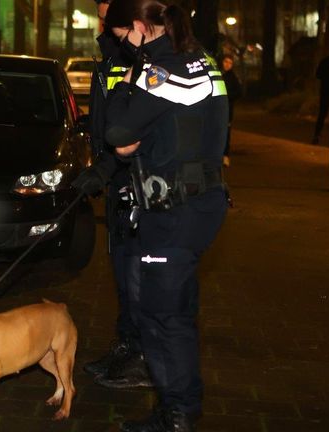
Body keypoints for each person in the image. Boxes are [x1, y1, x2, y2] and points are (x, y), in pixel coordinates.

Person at [100, 0, 228, 430]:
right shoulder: (203, 61)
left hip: (174, 209)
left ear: (139, 27)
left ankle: (177, 416)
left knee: (161, 316)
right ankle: (178, 408)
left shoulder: (161, 70)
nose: (125, 47)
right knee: (174, 310)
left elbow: (117, 131)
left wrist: (128, 80)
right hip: (199, 202)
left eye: (125, 38)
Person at [73, 0, 152, 390]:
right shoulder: (109, 52)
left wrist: (109, 167)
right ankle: (126, 347)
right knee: (121, 273)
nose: (103, 12)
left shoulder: (142, 55)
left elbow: (137, 129)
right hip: (117, 180)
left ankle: (140, 359)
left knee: (137, 277)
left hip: (138, 181)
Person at [221, 54, 242, 166]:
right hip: (220, 108)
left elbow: (239, 92)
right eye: (226, 62)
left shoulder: (232, 77)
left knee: (226, 132)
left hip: (228, 109)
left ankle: (225, 155)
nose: (227, 65)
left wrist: (228, 97)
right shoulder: (221, 74)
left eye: (230, 63)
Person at [313, 52, 329, 145]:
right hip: (327, 92)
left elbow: (318, 75)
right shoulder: (325, 61)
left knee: (322, 115)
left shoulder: (325, 61)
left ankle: (316, 136)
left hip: (325, 92)